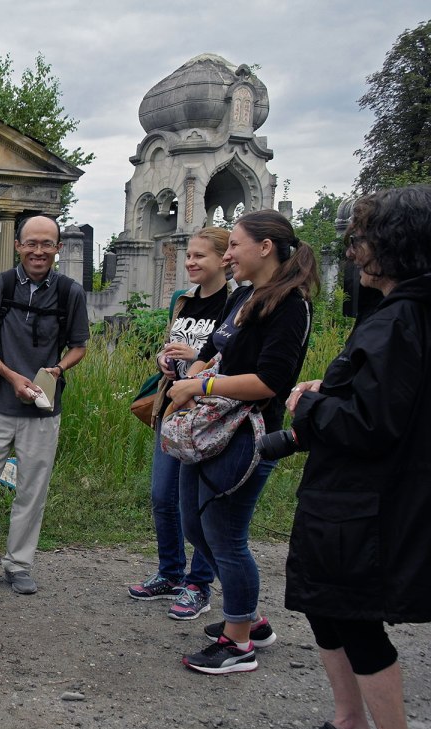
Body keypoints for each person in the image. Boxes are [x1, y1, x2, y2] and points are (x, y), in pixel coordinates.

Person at [280, 186, 431, 729]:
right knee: (326, 604)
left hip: (365, 502)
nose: (353, 248)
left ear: (390, 246)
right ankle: (351, 724)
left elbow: (372, 425)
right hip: (350, 497)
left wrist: (311, 405)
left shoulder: (402, 319)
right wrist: (332, 393)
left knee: (356, 614)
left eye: (362, 236)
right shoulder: (399, 314)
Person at [166, 209, 316, 675]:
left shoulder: (290, 304)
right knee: (195, 525)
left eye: (234, 245)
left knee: (227, 536)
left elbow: (271, 381)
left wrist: (202, 388)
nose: (227, 254)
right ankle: (250, 618)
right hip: (209, 428)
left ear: (264, 248)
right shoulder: (246, 296)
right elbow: (215, 348)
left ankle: (238, 645)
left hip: (247, 435)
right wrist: (191, 373)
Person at [0, 214, 89, 601]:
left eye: (47, 244)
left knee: (32, 490)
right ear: (18, 246)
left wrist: (58, 368)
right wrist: (12, 377)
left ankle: (19, 564)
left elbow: (79, 345)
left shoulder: (70, 293)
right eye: (32, 243)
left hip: (43, 408)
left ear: (58, 249)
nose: (39, 251)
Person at [127, 228, 230, 620]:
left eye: (200, 256)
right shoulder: (181, 299)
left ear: (223, 259)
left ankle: (198, 584)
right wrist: (163, 359)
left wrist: (197, 354)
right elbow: (171, 345)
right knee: (162, 496)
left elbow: (233, 356)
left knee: (198, 505)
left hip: (210, 414)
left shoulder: (237, 302)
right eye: (189, 255)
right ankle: (170, 572)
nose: (190, 262)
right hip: (173, 409)